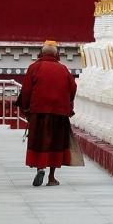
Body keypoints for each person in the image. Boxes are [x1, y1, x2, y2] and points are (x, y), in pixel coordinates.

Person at [17, 41, 77, 187]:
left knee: (40, 141)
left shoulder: (34, 67)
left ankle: (40, 168)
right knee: (56, 144)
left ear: (41, 54)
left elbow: (26, 91)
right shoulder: (63, 69)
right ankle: (51, 177)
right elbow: (73, 88)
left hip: (38, 112)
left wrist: (25, 108)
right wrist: (67, 105)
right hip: (59, 113)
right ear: (57, 55)